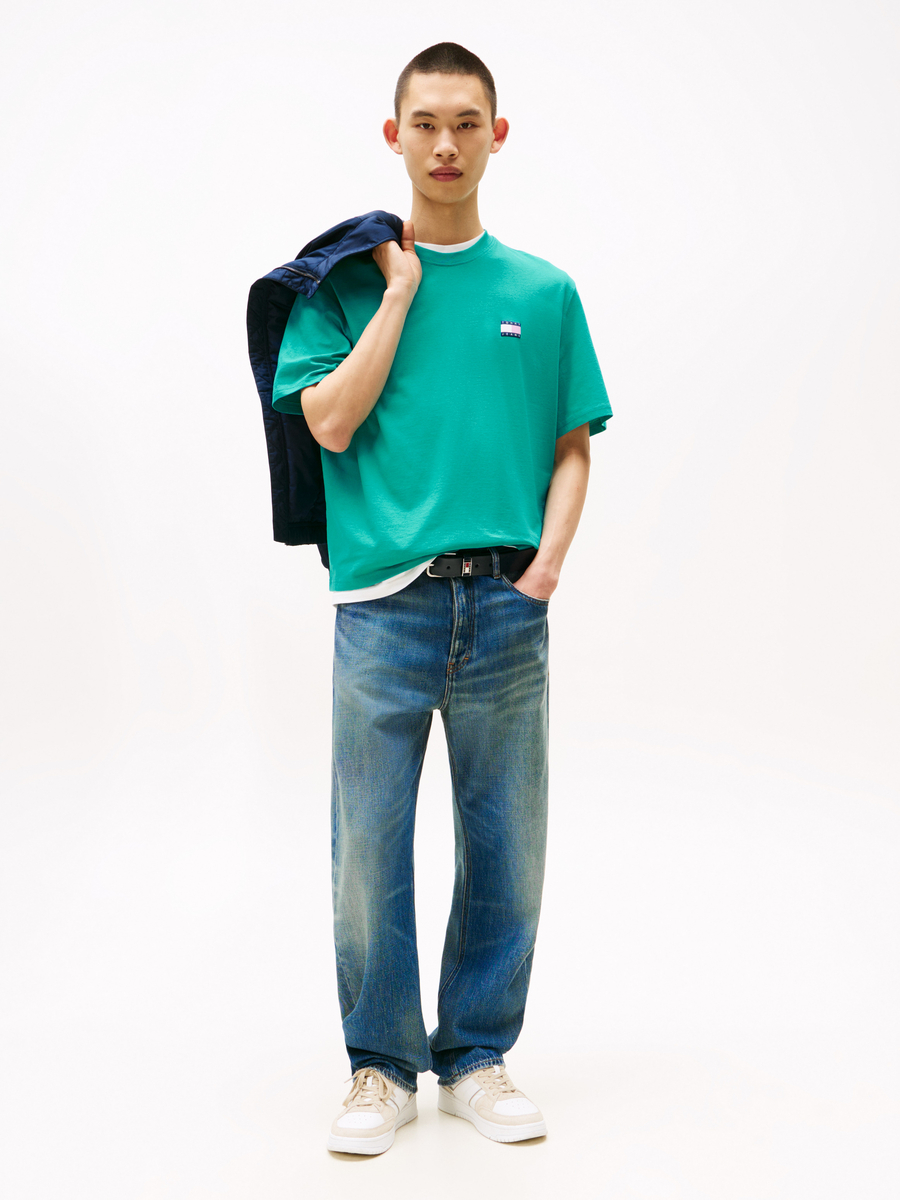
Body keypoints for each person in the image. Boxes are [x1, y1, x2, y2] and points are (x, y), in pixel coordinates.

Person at [271, 42, 612, 1155]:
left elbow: (573, 443)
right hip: (383, 607)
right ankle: (380, 1066)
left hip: (507, 606)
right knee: (368, 849)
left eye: (467, 123)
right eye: (425, 123)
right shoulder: (343, 287)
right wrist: (402, 289)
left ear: (497, 136)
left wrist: (546, 567)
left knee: (507, 841)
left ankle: (474, 1056)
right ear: (394, 136)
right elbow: (329, 422)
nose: (446, 144)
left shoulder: (543, 292)